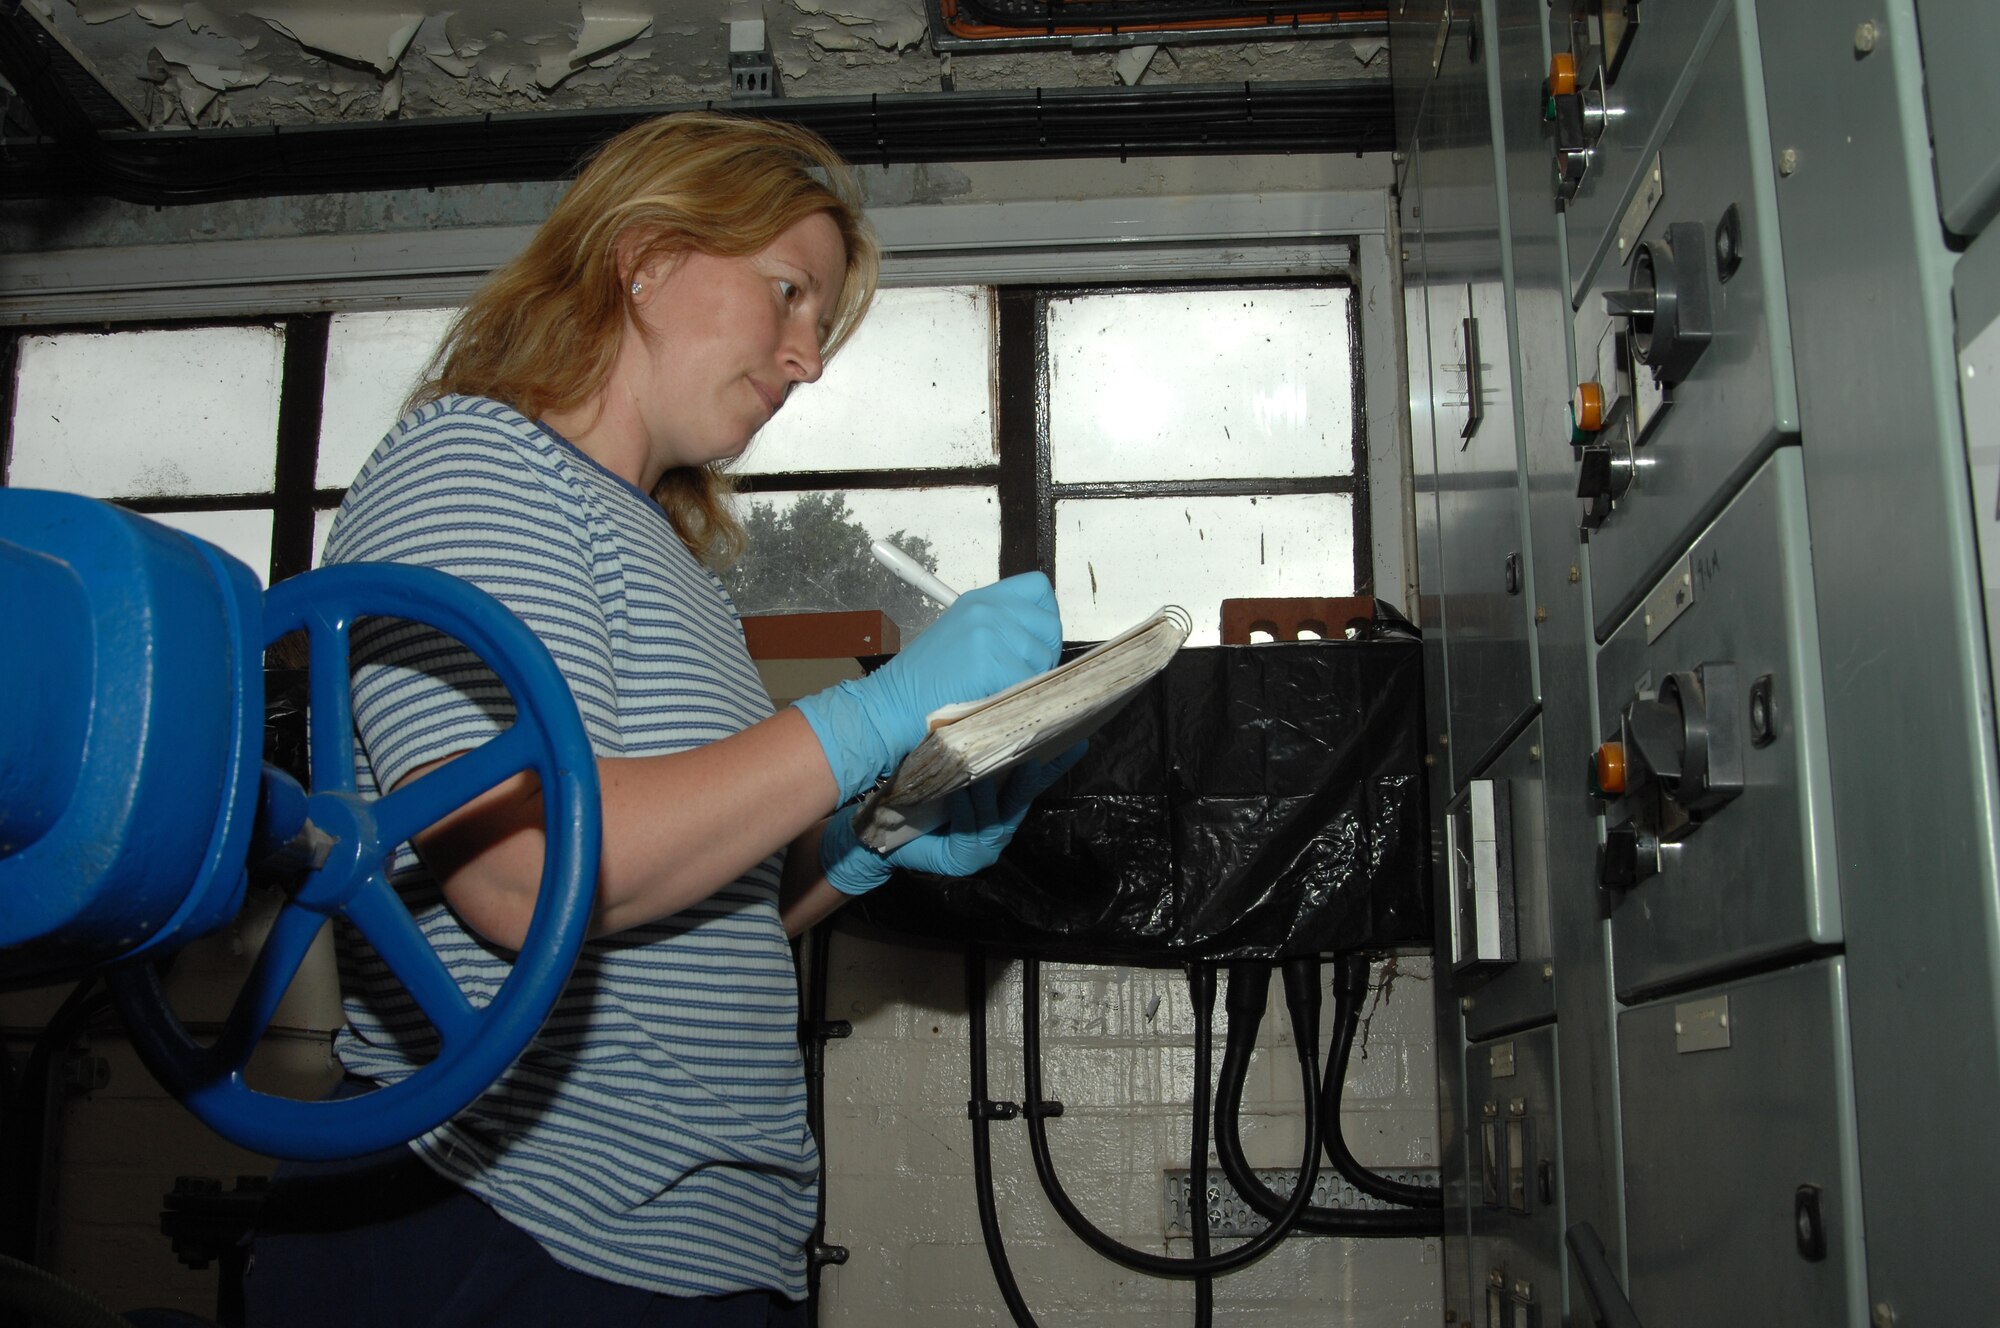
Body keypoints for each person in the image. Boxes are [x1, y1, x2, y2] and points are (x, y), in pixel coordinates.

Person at [244, 111, 1078, 1326]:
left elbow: (701, 908)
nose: (808, 359)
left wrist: (872, 840)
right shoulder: (475, 465)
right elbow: (527, 877)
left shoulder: (669, 563)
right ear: (644, 259)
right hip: (513, 1219)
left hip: (698, 1239)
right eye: (788, 295)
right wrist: (882, 706)